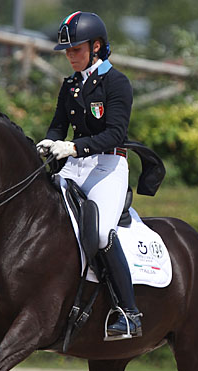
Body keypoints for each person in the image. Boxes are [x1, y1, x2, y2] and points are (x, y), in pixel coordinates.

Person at [36, 11, 142, 340]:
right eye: (67, 51)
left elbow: (114, 134)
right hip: (74, 165)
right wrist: (50, 142)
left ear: (97, 47)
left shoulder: (117, 83)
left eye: (76, 50)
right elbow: (58, 125)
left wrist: (72, 147)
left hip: (107, 167)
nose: (70, 56)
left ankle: (129, 313)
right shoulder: (70, 85)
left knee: (99, 235)